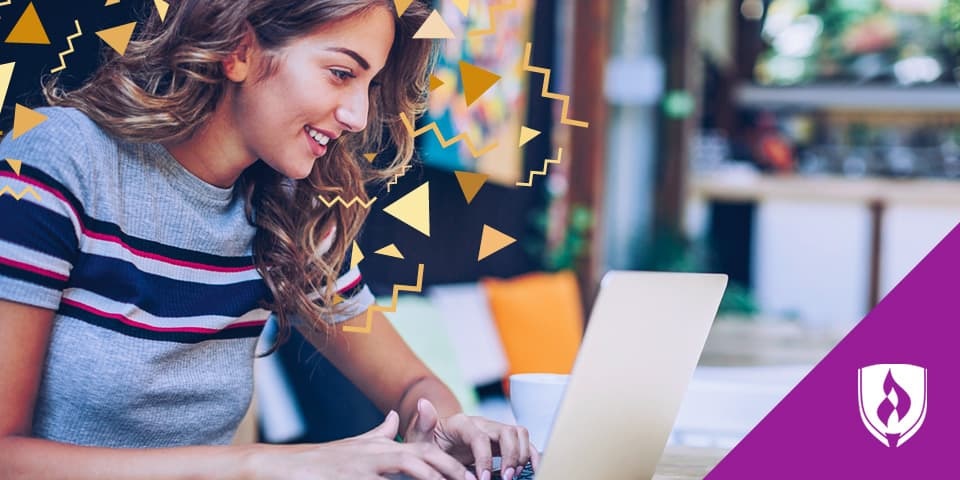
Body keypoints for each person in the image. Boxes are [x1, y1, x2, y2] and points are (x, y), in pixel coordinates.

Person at [0, 1, 537, 479]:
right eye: (339, 73)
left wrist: (451, 428)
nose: (358, 115)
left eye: (369, 85)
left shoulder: (288, 212)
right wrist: (263, 464)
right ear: (239, 50)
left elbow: (410, 386)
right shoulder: (59, 163)